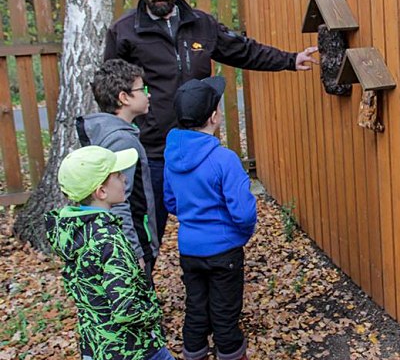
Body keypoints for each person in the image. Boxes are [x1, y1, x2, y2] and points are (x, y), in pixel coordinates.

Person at [104, 0, 317, 244]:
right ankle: (143, 285)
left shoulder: (201, 24)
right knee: (146, 234)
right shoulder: (124, 31)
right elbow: (111, 87)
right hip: (152, 151)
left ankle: (209, 280)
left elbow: (243, 50)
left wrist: (290, 60)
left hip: (200, 147)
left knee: (210, 225)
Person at [45, 146, 173, 360]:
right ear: (101, 192)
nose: (124, 178)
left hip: (96, 346)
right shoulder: (109, 239)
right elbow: (125, 308)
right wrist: (152, 314)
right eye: (117, 175)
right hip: (132, 348)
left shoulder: (74, 231)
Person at [163, 77, 257, 360]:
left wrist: (194, 218)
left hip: (189, 248)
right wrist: (239, 233)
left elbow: (170, 201)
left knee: (196, 308)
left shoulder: (172, 157)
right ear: (214, 117)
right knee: (225, 313)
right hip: (223, 251)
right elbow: (243, 212)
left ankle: (194, 354)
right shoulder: (223, 159)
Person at [76, 59, 159, 282]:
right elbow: (119, 203)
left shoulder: (111, 131)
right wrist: (135, 254)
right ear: (124, 98)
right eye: (142, 89)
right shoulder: (121, 141)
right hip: (133, 244)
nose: (148, 95)